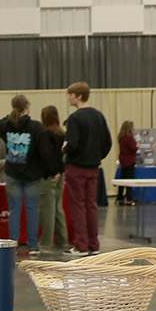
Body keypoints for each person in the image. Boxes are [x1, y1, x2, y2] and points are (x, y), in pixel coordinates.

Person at [63, 81, 112, 256]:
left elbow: (72, 144)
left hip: (76, 168)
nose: (68, 98)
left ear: (79, 96)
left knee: (77, 205)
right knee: (91, 205)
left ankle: (81, 246)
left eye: (70, 95)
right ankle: (94, 244)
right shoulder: (99, 116)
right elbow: (108, 142)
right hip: (93, 168)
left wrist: (64, 149)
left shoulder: (75, 118)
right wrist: (97, 157)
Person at [0, 94, 47, 256]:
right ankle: (33, 245)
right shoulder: (36, 127)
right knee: (32, 210)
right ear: (27, 107)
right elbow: (43, 151)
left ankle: (13, 243)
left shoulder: (7, 125)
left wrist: (9, 117)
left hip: (13, 173)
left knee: (14, 210)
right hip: (33, 175)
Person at [38, 105, 68, 250]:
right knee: (58, 207)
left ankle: (46, 241)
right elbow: (62, 155)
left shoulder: (45, 134)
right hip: (61, 174)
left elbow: (47, 155)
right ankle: (62, 239)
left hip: (49, 175)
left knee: (47, 209)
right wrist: (60, 171)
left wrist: (53, 171)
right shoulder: (62, 134)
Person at [116, 120, 138, 205]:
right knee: (129, 180)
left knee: (122, 179)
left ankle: (120, 197)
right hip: (129, 160)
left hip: (123, 160)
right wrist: (137, 145)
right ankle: (129, 198)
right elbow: (133, 148)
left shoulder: (121, 137)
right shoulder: (129, 137)